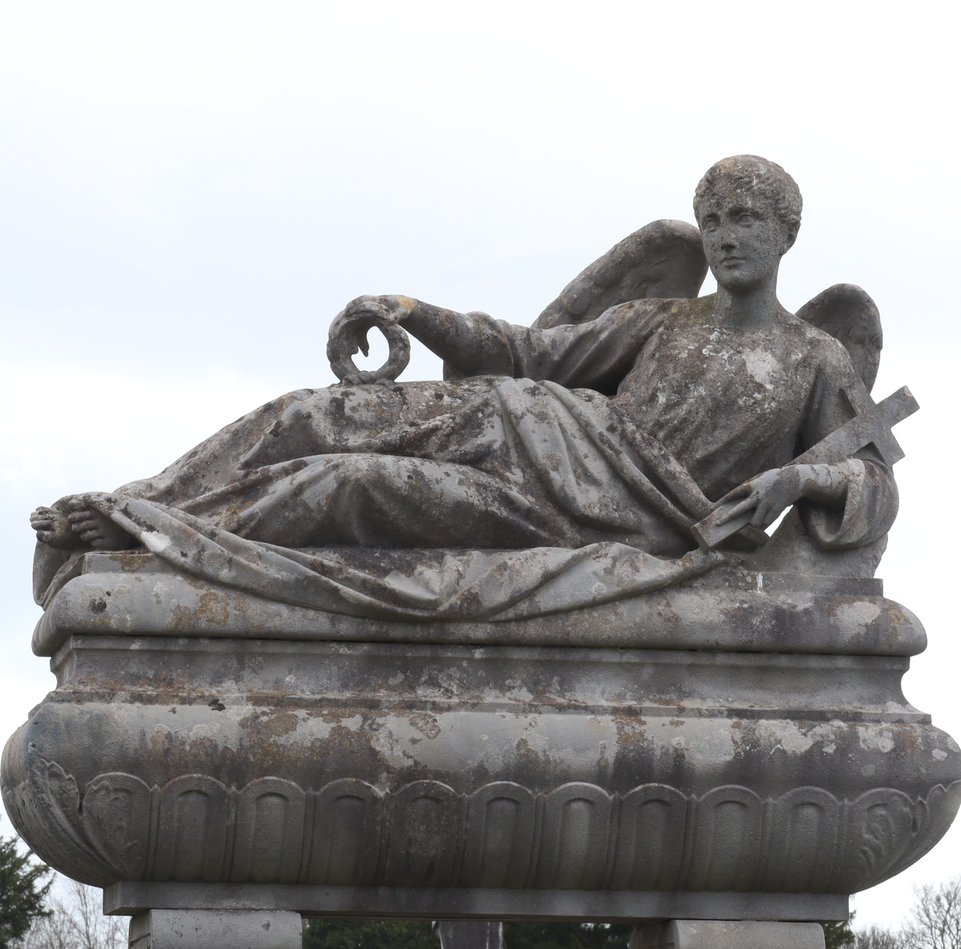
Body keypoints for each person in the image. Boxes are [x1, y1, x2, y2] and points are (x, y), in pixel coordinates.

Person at [30, 156, 896, 621]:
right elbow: (524, 350)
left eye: (743, 220)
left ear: (786, 232)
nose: (722, 239)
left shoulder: (817, 356)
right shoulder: (663, 321)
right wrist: (410, 309)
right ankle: (141, 499)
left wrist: (795, 479)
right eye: (711, 222)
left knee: (351, 483)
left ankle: (158, 537)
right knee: (321, 412)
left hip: (597, 514)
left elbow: (869, 478)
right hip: (532, 427)